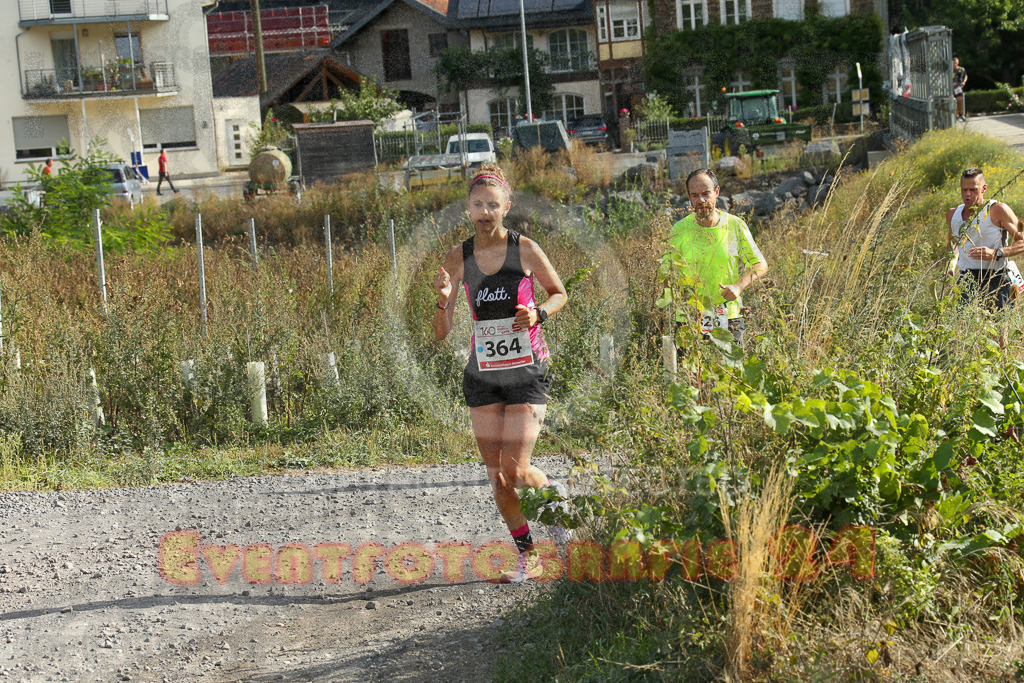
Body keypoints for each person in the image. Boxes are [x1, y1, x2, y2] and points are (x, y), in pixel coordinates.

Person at [432, 164, 569, 583]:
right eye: (478, 204)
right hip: (483, 374)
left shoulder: (524, 248)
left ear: (506, 207)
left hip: (527, 369)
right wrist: (442, 302)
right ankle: (531, 557)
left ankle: (556, 497)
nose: (485, 211)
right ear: (468, 209)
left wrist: (538, 314)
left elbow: (559, 292)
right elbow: (441, 333)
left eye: (493, 204)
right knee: (499, 480)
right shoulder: (458, 257)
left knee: (516, 470)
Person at [660, 168, 768, 345]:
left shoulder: (734, 226)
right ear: (688, 197)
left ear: (716, 192)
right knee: (691, 373)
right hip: (690, 320)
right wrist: (681, 301)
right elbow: (666, 273)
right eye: (695, 195)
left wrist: (738, 286)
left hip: (728, 317)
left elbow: (760, 264)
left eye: (706, 193)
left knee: (731, 371)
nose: (701, 200)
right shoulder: (679, 230)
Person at [946, 167, 1022, 310]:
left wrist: (996, 253)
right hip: (966, 279)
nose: (968, 194)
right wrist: (951, 267)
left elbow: (1022, 241)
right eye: (964, 190)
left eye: (973, 189)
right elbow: (954, 244)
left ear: (984, 188)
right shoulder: (952, 214)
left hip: (996, 278)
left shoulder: (998, 209)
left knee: (997, 329)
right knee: (963, 327)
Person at [953, 56, 967, 122]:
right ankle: (957, 115)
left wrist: (964, 82)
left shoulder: (961, 69)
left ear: (958, 62)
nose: (954, 63)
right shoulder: (950, 70)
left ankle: (961, 113)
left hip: (959, 87)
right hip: (952, 88)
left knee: (959, 99)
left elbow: (965, 76)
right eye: (953, 62)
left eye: (956, 62)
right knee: (954, 101)